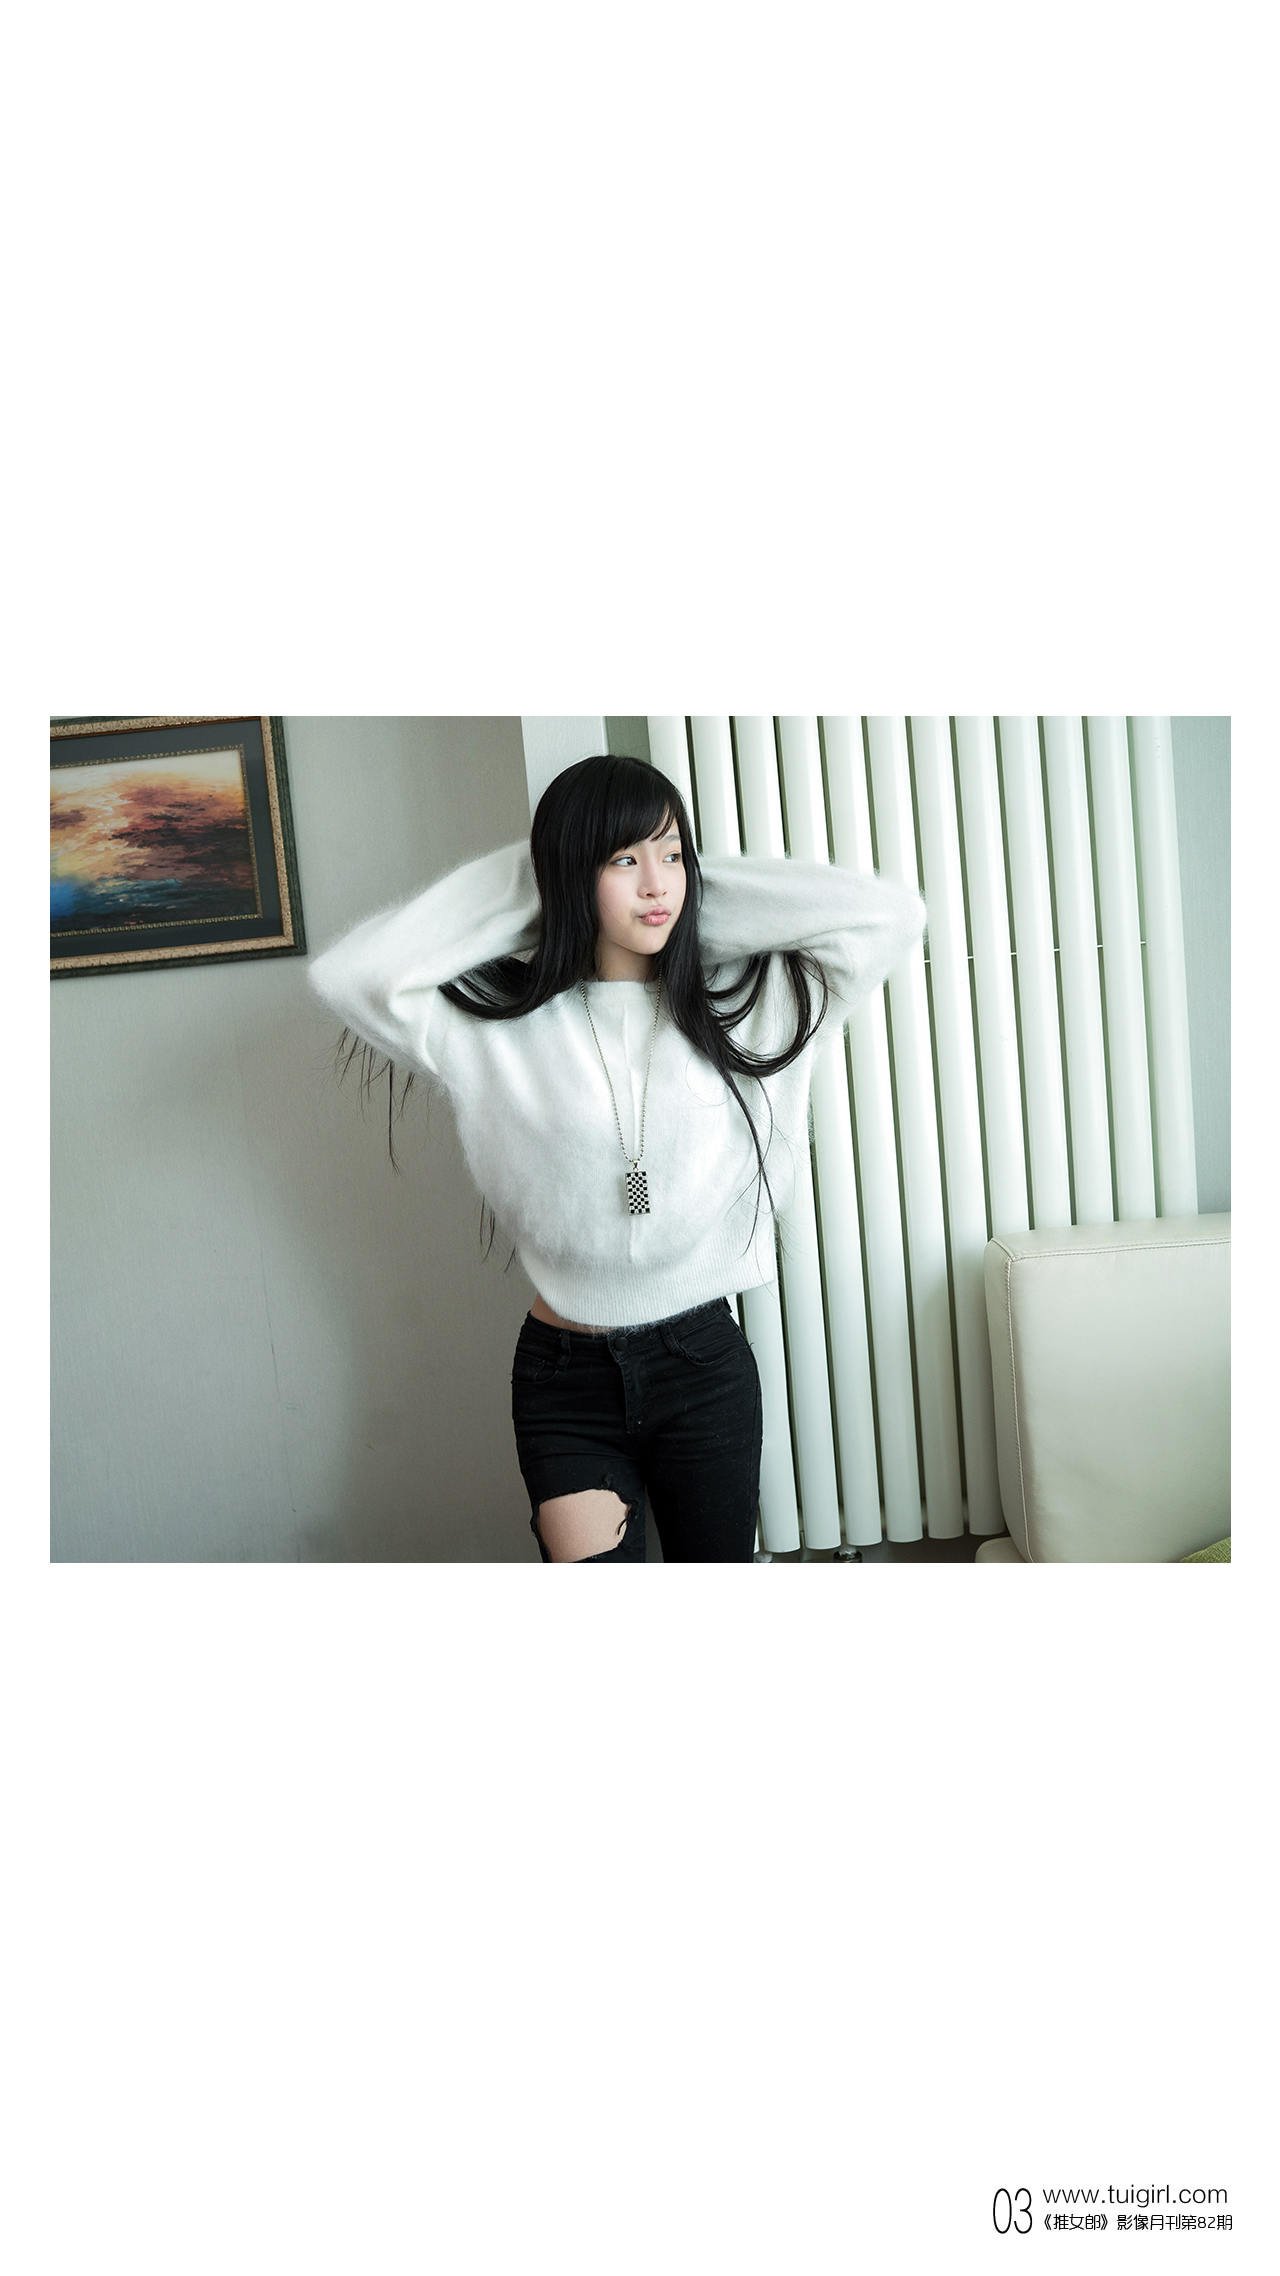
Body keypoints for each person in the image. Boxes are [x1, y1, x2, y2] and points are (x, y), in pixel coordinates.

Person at [308, 753, 926, 1563]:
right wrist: (543, 880)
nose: (657, 884)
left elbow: (890, 915)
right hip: (565, 1378)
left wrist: (688, 900)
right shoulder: (493, 1030)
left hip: (700, 1365)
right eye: (623, 861)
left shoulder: (749, 1005)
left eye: (672, 855)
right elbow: (351, 974)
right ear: (570, 874)